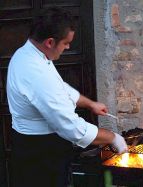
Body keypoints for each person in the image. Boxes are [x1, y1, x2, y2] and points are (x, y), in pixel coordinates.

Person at [6, 7, 128, 187]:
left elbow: (59, 88)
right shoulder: (36, 72)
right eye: (65, 43)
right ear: (49, 42)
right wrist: (113, 138)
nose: (68, 47)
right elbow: (70, 127)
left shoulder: (28, 54)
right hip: (39, 154)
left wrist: (90, 104)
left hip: (34, 146)